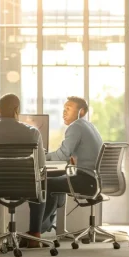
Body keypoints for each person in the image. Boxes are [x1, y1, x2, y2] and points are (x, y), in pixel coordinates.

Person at [0, 94, 99, 248]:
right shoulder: (33, 132)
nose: (64, 112)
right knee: (41, 182)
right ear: (17, 110)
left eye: (68, 109)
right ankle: (35, 234)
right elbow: (40, 165)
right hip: (26, 186)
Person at [43, 96, 104, 231]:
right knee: (55, 182)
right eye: (64, 109)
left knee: (46, 183)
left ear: (81, 112)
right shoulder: (89, 125)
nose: (64, 113)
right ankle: (46, 227)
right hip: (95, 180)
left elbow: (62, 155)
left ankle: (39, 229)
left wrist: (42, 156)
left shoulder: (75, 127)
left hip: (86, 180)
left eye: (68, 109)